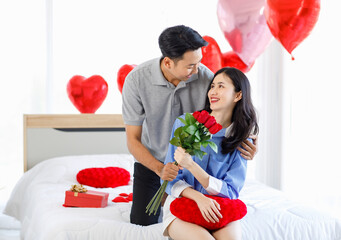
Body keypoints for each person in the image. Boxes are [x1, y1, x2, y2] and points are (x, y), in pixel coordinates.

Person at [122, 25, 258, 226]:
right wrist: (161, 170)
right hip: (153, 163)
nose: (197, 70)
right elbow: (133, 141)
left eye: (199, 62)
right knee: (142, 221)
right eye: (190, 66)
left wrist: (247, 141)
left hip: (192, 167)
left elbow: (231, 113)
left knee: (198, 219)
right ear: (168, 62)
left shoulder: (205, 78)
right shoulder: (136, 80)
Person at [162, 67, 259, 240]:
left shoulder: (242, 139)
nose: (213, 92)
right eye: (212, 86)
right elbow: (170, 180)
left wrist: (191, 165)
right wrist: (199, 198)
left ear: (238, 95)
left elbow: (231, 191)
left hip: (220, 207)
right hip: (183, 204)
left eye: (221, 86)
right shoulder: (185, 124)